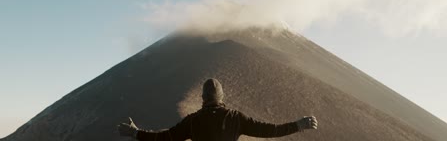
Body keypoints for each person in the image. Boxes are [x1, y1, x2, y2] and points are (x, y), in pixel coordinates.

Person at [118, 78, 318, 141]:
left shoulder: (192, 121)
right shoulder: (235, 118)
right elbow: (270, 130)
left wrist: (135, 132)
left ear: (203, 98)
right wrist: (298, 125)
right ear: (222, 97)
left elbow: (164, 139)